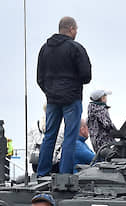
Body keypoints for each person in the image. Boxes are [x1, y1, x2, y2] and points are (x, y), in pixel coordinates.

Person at [35, 16, 92, 177]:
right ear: (72, 29)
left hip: (52, 99)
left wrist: (50, 91)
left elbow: (39, 77)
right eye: (76, 30)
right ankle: (65, 175)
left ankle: (42, 173)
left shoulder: (44, 49)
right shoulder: (76, 48)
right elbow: (86, 75)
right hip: (71, 99)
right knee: (70, 137)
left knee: (49, 136)